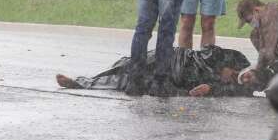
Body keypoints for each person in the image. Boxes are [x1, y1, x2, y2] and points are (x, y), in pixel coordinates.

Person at [55, 45, 255, 97]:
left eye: (249, 81)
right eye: (249, 74)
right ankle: (88, 79)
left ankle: (80, 83)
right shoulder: (237, 58)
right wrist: (217, 73)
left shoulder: (241, 90)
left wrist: (209, 88)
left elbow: (218, 92)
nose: (245, 78)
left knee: (132, 82)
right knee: (129, 64)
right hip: (176, 58)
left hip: (176, 78)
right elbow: (209, 52)